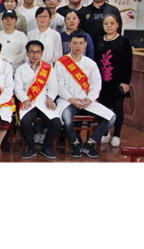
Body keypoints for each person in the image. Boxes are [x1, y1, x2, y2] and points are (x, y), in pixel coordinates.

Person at [55, 31, 116, 159]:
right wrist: (71, 99)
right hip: (67, 100)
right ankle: (75, 144)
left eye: (81, 43)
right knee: (66, 119)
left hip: (86, 100)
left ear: (85, 45)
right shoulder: (61, 63)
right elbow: (59, 85)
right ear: (70, 44)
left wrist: (90, 99)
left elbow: (96, 84)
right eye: (75, 43)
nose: (78, 46)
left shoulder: (91, 64)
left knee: (111, 117)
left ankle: (90, 144)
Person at [15, 40, 60, 160]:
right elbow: (18, 88)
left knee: (56, 122)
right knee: (25, 122)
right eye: (32, 52)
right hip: (28, 101)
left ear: (42, 53)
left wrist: (50, 98)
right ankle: (31, 148)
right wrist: (24, 99)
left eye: (37, 52)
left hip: (45, 101)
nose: (35, 55)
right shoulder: (20, 69)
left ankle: (46, 147)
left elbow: (53, 86)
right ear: (27, 53)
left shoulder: (48, 68)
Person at [95, 14, 133, 148]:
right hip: (103, 81)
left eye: (112, 23)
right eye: (106, 23)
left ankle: (117, 134)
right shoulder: (99, 40)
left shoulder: (123, 41)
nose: (109, 26)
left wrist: (126, 82)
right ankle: (105, 132)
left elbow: (128, 62)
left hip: (118, 81)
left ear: (117, 25)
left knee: (117, 107)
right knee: (104, 107)